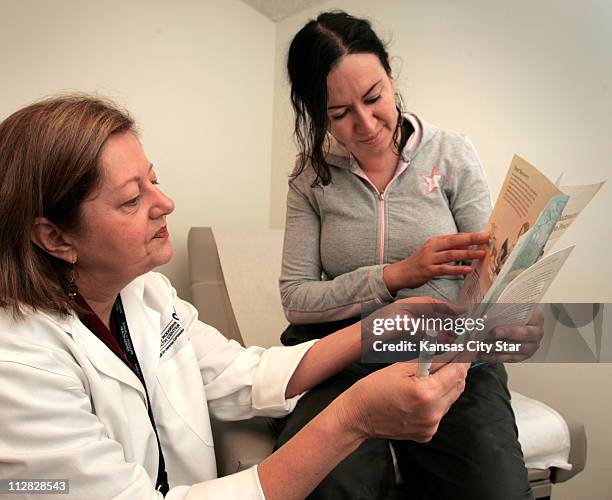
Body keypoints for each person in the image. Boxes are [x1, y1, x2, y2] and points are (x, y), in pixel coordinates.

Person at [0, 94, 473, 499]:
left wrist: (378, 327)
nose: (164, 204)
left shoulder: (146, 296)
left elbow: (243, 375)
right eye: (131, 200)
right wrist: (355, 418)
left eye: (154, 180)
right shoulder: (18, 367)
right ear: (56, 238)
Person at [277, 11, 540, 500]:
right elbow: (296, 299)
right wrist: (398, 275)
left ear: (391, 75)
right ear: (317, 113)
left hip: (443, 349)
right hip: (346, 352)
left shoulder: (452, 155)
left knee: (495, 489)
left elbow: (487, 283)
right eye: (339, 114)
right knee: (322, 484)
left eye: (374, 97)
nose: (366, 124)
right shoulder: (309, 179)